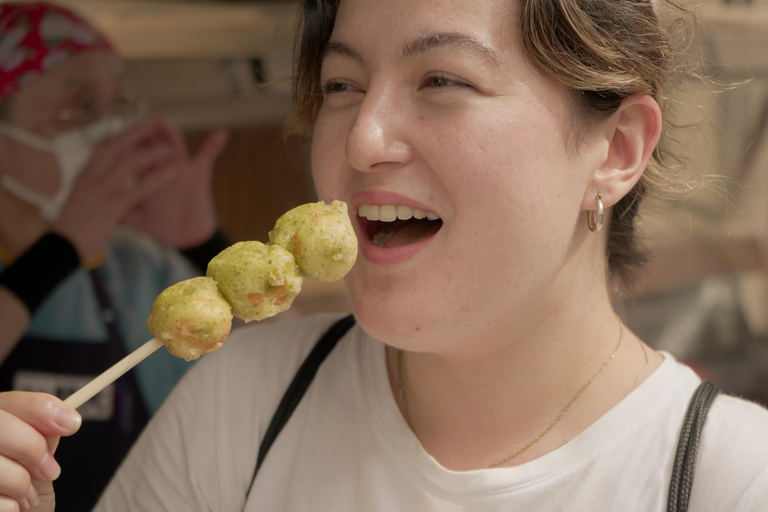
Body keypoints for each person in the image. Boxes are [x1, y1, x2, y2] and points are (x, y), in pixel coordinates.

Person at [2, 0, 768, 510]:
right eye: (342, 84)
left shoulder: (733, 479)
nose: (361, 139)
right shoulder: (238, 401)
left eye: (442, 79)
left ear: (616, 148)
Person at [0, 3, 229, 511]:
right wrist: (62, 248)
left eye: (116, 104)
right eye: (83, 109)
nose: (109, 130)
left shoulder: (142, 266)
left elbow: (285, 366)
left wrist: (200, 242)